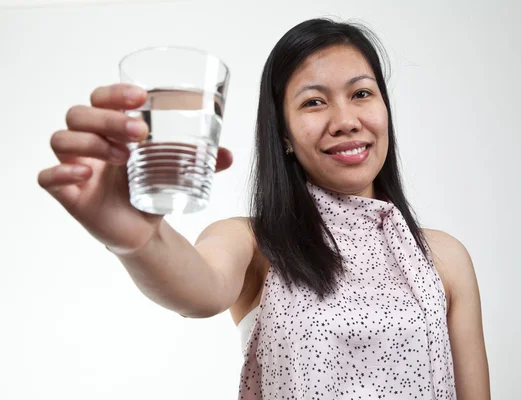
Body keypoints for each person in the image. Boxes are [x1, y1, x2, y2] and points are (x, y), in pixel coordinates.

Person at [38, 18, 490, 400]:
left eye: (361, 94)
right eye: (313, 102)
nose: (346, 120)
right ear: (286, 136)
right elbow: (198, 290)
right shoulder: (255, 240)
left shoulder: (445, 258)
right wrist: (137, 239)